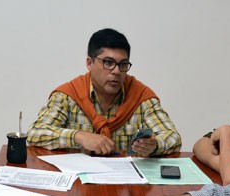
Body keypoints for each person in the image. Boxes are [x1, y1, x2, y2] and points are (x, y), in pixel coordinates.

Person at [27, 28, 181, 157]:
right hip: (77, 187)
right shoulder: (68, 95)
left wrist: (154, 145)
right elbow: (35, 133)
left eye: (123, 64)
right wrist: (78, 136)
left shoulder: (140, 97)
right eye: (108, 63)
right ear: (90, 63)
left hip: (127, 187)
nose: (116, 71)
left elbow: (173, 137)